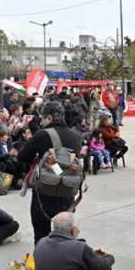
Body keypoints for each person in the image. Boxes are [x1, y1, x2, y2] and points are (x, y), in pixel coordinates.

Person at [16, 101, 84, 243]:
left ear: (49, 118)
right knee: (66, 235)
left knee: (41, 235)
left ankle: (44, 262)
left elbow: (21, 157)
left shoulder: (42, 134)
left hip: (45, 191)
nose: (41, 121)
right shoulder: (76, 136)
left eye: (42, 118)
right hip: (67, 191)